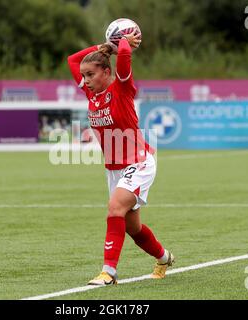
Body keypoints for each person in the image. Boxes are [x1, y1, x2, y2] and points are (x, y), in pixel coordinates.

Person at [67, 31, 175, 286]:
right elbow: (73, 60)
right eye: (84, 76)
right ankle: (164, 257)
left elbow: (125, 55)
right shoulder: (91, 95)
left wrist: (121, 42)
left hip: (138, 163)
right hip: (114, 169)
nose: (86, 80)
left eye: (91, 75)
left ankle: (109, 272)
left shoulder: (122, 88)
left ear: (107, 72)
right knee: (132, 228)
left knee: (115, 207)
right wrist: (102, 46)